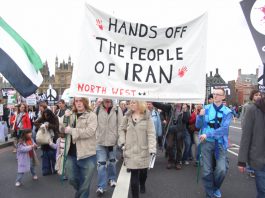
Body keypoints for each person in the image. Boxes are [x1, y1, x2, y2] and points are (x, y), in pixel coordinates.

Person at [196, 88, 233, 198]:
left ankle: (215, 187)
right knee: (207, 171)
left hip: (220, 143)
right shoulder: (206, 108)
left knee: (222, 169)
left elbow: (224, 130)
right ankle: (210, 194)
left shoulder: (228, 112)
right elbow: (198, 126)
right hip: (206, 143)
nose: (215, 96)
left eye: (218, 94)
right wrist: (200, 116)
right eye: (214, 94)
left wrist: (208, 134)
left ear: (223, 97)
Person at [118, 100, 156, 198]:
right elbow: (121, 129)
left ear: (140, 104)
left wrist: (152, 149)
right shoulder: (126, 116)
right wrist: (122, 141)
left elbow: (151, 134)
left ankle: (142, 183)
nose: (131, 104)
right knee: (134, 178)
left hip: (143, 150)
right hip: (130, 150)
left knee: (143, 173)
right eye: (131, 102)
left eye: (134, 102)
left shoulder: (147, 117)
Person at [64, 97, 97, 198]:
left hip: (87, 154)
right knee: (71, 178)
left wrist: (72, 131)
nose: (78, 103)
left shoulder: (92, 115)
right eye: (76, 101)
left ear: (85, 102)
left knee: (85, 183)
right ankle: (80, 192)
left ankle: (81, 194)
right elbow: (61, 128)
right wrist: (65, 117)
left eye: (80, 101)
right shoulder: (71, 114)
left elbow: (90, 132)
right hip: (71, 154)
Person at [238, 96, 265, 198]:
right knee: (263, 191)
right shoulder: (253, 109)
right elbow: (246, 136)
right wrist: (242, 161)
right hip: (259, 159)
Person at [95, 99, 123, 195]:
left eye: (109, 101)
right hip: (100, 141)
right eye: (105, 101)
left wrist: (119, 139)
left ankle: (112, 179)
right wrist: (96, 136)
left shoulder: (117, 109)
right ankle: (101, 186)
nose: (107, 102)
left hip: (112, 141)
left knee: (112, 162)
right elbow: (94, 124)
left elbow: (121, 125)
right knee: (101, 165)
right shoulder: (98, 109)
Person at [152, 102, 189, 170]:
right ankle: (171, 160)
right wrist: (153, 101)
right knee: (169, 146)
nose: (177, 102)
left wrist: (185, 111)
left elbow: (186, 120)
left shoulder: (185, 108)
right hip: (171, 129)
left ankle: (177, 162)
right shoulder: (170, 107)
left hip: (180, 131)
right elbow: (161, 106)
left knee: (179, 147)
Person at [240, 89, 261, 178]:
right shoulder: (247, 106)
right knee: (247, 148)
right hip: (248, 129)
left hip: (257, 131)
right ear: (252, 96)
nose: (258, 96)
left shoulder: (261, 106)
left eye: (259, 95)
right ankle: (251, 169)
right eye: (256, 95)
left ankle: (254, 168)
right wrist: (244, 128)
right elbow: (243, 117)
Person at [34, 108, 59, 176]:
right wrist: (41, 125)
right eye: (44, 115)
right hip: (44, 138)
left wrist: (49, 125)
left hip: (52, 138)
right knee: (45, 155)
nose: (46, 116)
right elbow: (35, 123)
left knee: (52, 154)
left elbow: (57, 127)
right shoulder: (42, 118)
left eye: (47, 115)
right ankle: (46, 170)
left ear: (50, 114)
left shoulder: (55, 118)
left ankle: (55, 169)